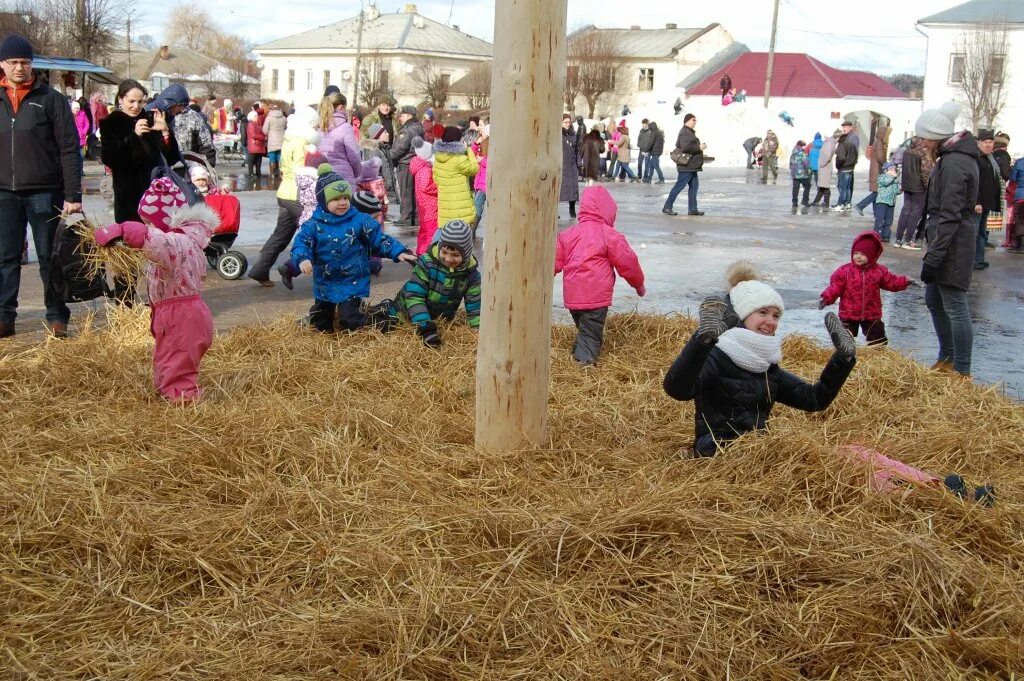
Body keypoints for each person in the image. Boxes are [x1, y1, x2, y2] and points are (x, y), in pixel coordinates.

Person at [663, 264, 856, 457]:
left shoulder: (766, 366)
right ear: (742, 315)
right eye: (762, 312)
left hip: (759, 455)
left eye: (776, 315)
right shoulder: (716, 356)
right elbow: (676, 389)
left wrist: (843, 359)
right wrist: (702, 341)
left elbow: (814, 399)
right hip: (715, 456)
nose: (771, 321)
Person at [92, 178, 217, 402]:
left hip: (181, 316)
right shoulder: (182, 241)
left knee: (178, 362)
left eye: (148, 221)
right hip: (179, 313)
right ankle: (167, 393)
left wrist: (122, 229)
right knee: (169, 357)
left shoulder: (176, 242)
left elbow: (152, 239)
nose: (148, 226)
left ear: (164, 220)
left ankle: (183, 402)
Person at [0, 34, 80, 338]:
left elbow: (69, 148)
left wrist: (73, 194)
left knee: (50, 256)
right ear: (2, 64)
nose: (20, 67)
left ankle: (58, 315)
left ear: (32, 64)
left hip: (44, 191)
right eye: (13, 62)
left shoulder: (50, 99)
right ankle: (5, 316)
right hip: (4, 193)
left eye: (25, 62)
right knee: (6, 257)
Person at [290, 165, 415, 333]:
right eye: (336, 199)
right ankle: (322, 329)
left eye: (345, 198)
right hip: (325, 281)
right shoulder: (313, 225)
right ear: (323, 201)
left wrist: (398, 251)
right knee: (321, 322)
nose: (342, 203)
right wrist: (303, 258)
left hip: (352, 280)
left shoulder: (359, 220)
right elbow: (301, 243)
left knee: (350, 319)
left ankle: (383, 324)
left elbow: (378, 238)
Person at [917, 102, 979, 377]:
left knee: (954, 304)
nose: (920, 143)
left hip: (953, 242)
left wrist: (935, 255)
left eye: (923, 138)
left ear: (935, 137)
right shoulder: (951, 158)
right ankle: (947, 358)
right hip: (945, 238)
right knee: (934, 299)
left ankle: (961, 370)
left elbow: (950, 215)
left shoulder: (955, 163)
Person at [554, 186, 645, 365]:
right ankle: (584, 365)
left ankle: (580, 351)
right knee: (590, 333)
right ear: (608, 211)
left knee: (586, 329)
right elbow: (628, 263)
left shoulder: (568, 234)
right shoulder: (609, 235)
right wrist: (638, 285)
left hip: (573, 296)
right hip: (596, 297)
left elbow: (554, 261)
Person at [248, 106, 321, 286]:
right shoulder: (304, 143)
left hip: (284, 193)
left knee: (280, 235)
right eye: (315, 124)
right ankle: (297, 269)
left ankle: (260, 270)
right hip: (299, 195)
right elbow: (305, 171)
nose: (317, 128)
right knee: (317, 234)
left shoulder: (289, 139)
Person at [387, 220, 481, 347]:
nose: (448, 259)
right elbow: (414, 296)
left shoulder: (471, 275)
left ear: (466, 254)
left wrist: (477, 332)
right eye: (444, 252)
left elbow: (474, 306)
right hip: (405, 314)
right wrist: (425, 327)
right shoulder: (427, 263)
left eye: (455, 255)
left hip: (438, 319)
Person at [819, 231, 911, 346]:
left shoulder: (879, 271)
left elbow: (891, 282)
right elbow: (835, 287)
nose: (858, 256)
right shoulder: (845, 271)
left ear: (872, 255)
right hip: (849, 312)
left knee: (877, 338)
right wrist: (826, 298)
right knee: (845, 337)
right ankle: (844, 351)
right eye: (856, 253)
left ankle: (878, 353)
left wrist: (905, 281)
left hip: (871, 313)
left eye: (863, 254)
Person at [149, 84, 216, 168]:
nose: (178, 110)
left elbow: (205, 143)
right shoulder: (157, 115)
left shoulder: (193, 117)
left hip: (189, 167)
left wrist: (207, 168)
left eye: (181, 106)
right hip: (165, 167)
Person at [433, 125, 478, 231]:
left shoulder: (438, 159)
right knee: (460, 241)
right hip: (460, 209)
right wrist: (469, 151)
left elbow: (436, 180)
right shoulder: (459, 159)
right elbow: (474, 169)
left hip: (445, 209)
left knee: (447, 238)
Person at [893, 137, 935, 250]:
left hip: (907, 185)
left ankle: (898, 239)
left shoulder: (907, 151)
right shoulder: (924, 152)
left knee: (905, 211)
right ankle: (908, 240)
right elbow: (926, 171)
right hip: (919, 187)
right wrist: (928, 186)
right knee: (915, 213)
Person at [662, 113, 705, 217]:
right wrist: (699, 147)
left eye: (696, 120)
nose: (695, 122)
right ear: (687, 121)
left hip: (692, 165)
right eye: (693, 120)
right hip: (687, 165)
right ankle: (667, 206)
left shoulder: (689, 132)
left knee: (694, 187)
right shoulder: (685, 132)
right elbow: (686, 147)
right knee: (680, 185)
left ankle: (693, 209)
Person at [316, 92, 362, 186]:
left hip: (323, 178)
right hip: (343, 179)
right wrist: (357, 173)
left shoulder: (319, 127)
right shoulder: (345, 128)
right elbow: (354, 156)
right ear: (341, 107)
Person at [390, 105, 424, 227]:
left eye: (402, 115)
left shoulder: (407, 130)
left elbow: (399, 148)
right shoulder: (419, 128)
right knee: (413, 191)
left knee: (406, 191)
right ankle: (414, 217)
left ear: (409, 116)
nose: (400, 118)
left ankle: (405, 217)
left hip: (405, 164)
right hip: (415, 163)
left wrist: (387, 158)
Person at [973, 129, 1001, 271]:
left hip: (987, 203)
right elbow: (974, 182)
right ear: (979, 143)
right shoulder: (977, 158)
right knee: (976, 232)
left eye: (991, 142)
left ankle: (979, 258)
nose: (989, 145)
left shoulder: (990, 159)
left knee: (982, 232)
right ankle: (974, 260)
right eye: (986, 142)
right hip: (978, 204)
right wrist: (976, 202)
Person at [409, 136, 439, 254]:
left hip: (424, 206)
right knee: (430, 231)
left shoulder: (419, 167)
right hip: (429, 206)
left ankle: (421, 251)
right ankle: (425, 254)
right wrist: (439, 187)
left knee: (425, 230)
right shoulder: (425, 169)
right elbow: (426, 186)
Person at [855, 126, 890, 216]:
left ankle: (876, 213)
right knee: (877, 192)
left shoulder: (877, 142)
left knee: (877, 192)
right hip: (877, 170)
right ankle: (860, 205)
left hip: (875, 170)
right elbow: (880, 157)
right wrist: (886, 164)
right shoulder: (879, 143)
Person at [832, 121, 859, 211]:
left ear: (851, 127)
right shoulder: (848, 137)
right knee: (847, 187)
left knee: (843, 186)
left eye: (846, 127)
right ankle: (847, 203)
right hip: (848, 165)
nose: (844, 129)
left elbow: (851, 153)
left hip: (846, 166)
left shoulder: (852, 137)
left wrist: (840, 164)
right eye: (843, 127)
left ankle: (842, 203)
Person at [811, 130, 838, 209]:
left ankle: (825, 202)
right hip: (824, 167)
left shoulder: (828, 144)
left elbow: (827, 156)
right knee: (822, 186)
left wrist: (822, 164)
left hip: (823, 167)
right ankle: (817, 201)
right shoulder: (828, 143)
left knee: (824, 186)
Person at [561, 114, 581, 216]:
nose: (568, 124)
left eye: (569, 122)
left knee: (573, 188)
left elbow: (577, 150)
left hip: (571, 165)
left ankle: (572, 209)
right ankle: (555, 211)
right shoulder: (558, 135)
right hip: (561, 165)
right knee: (559, 189)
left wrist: (579, 163)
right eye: (565, 122)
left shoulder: (574, 135)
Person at [873, 162, 899, 241]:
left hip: (891, 202)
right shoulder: (882, 177)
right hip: (882, 201)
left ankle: (886, 235)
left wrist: (900, 190)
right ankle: (877, 234)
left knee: (889, 220)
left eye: (894, 169)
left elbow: (896, 191)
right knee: (880, 219)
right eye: (891, 170)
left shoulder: (894, 179)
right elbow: (885, 182)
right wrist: (893, 177)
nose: (893, 171)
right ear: (885, 171)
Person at [263, 102, 286, 178]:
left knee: (272, 157)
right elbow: (286, 128)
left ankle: (272, 174)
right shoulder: (284, 118)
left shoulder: (269, 118)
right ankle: (280, 173)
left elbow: (265, 130)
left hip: (272, 140)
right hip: (281, 140)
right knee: (280, 157)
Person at [789, 141, 811, 209]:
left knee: (795, 188)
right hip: (802, 173)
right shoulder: (802, 153)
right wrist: (809, 170)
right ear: (802, 146)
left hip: (795, 173)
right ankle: (805, 200)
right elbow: (806, 163)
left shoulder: (793, 153)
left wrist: (792, 170)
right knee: (807, 186)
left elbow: (790, 164)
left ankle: (794, 202)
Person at [1009, 156, 1024, 254]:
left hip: (1020, 195)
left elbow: (1013, 179)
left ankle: (1020, 245)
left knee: (1019, 220)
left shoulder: (1019, 162)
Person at [245, 109, 267, 177]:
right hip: (254, 144)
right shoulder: (251, 124)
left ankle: (258, 172)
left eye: (257, 116)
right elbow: (253, 135)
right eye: (255, 116)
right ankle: (251, 173)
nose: (257, 117)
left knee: (259, 160)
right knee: (251, 160)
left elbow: (262, 132)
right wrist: (263, 138)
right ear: (252, 117)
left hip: (259, 145)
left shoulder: (258, 124)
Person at [472, 135, 488, 226]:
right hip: (479, 183)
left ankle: (473, 228)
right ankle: (473, 229)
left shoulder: (488, 152)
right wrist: (476, 143)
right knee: (477, 205)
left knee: (477, 204)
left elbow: (492, 164)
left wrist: (482, 160)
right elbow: (471, 152)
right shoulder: (481, 150)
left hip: (484, 185)